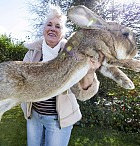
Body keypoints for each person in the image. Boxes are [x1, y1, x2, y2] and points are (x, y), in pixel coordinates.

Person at [21, 5, 103, 146]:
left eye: (58, 26)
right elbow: (21, 80)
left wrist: (90, 71)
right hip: (34, 116)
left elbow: (83, 93)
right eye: (49, 24)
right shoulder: (32, 53)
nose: (53, 28)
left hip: (58, 120)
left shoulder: (74, 55)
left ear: (63, 33)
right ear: (44, 29)